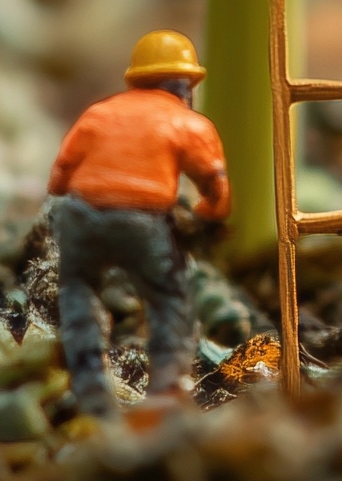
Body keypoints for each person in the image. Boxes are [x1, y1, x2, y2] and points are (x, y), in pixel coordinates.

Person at [47, 31, 229, 419]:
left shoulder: (99, 112)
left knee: (78, 288)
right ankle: (166, 388)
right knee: (167, 299)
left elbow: (60, 175)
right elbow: (216, 188)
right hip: (145, 222)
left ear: (135, 78)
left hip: (83, 214)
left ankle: (90, 384)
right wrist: (205, 216)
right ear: (186, 86)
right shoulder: (189, 122)